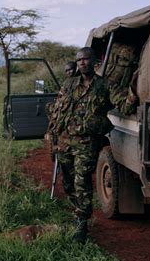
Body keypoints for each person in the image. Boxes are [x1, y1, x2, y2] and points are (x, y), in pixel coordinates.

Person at [48, 47, 119, 244]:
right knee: (69, 181)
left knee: (82, 180)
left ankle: (82, 221)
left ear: (94, 61)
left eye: (86, 59)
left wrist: (132, 97)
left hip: (86, 143)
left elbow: (121, 102)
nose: (82, 63)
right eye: (79, 60)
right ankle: (76, 209)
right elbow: (58, 108)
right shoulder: (70, 83)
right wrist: (52, 133)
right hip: (64, 141)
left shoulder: (104, 85)